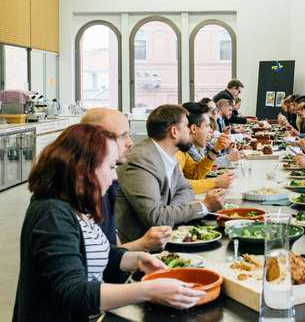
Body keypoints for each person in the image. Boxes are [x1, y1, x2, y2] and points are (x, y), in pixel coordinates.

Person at [13, 124, 206, 321]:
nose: (115, 176)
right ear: (84, 169)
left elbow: (96, 256)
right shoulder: (51, 214)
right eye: (111, 167)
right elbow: (73, 293)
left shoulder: (78, 205)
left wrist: (136, 259)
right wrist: (148, 290)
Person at [116, 105, 226, 243]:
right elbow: (155, 218)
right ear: (174, 132)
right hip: (139, 249)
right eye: (187, 126)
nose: (190, 131)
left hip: (164, 239)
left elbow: (185, 189)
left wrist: (169, 212)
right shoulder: (140, 160)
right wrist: (205, 206)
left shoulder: (169, 154)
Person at [81, 108, 172, 251]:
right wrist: (143, 245)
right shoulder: (61, 205)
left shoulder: (107, 185)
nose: (130, 143)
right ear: (95, 139)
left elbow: (112, 247)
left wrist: (141, 247)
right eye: (123, 136)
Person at [176, 102, 234, 193]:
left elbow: (196, 174)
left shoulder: (184, 149)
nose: (211, 130)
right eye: (207, 126)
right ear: (194, 129)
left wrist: (215, 150)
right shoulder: (175, 151)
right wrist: (216, 182)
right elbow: (179, 186)